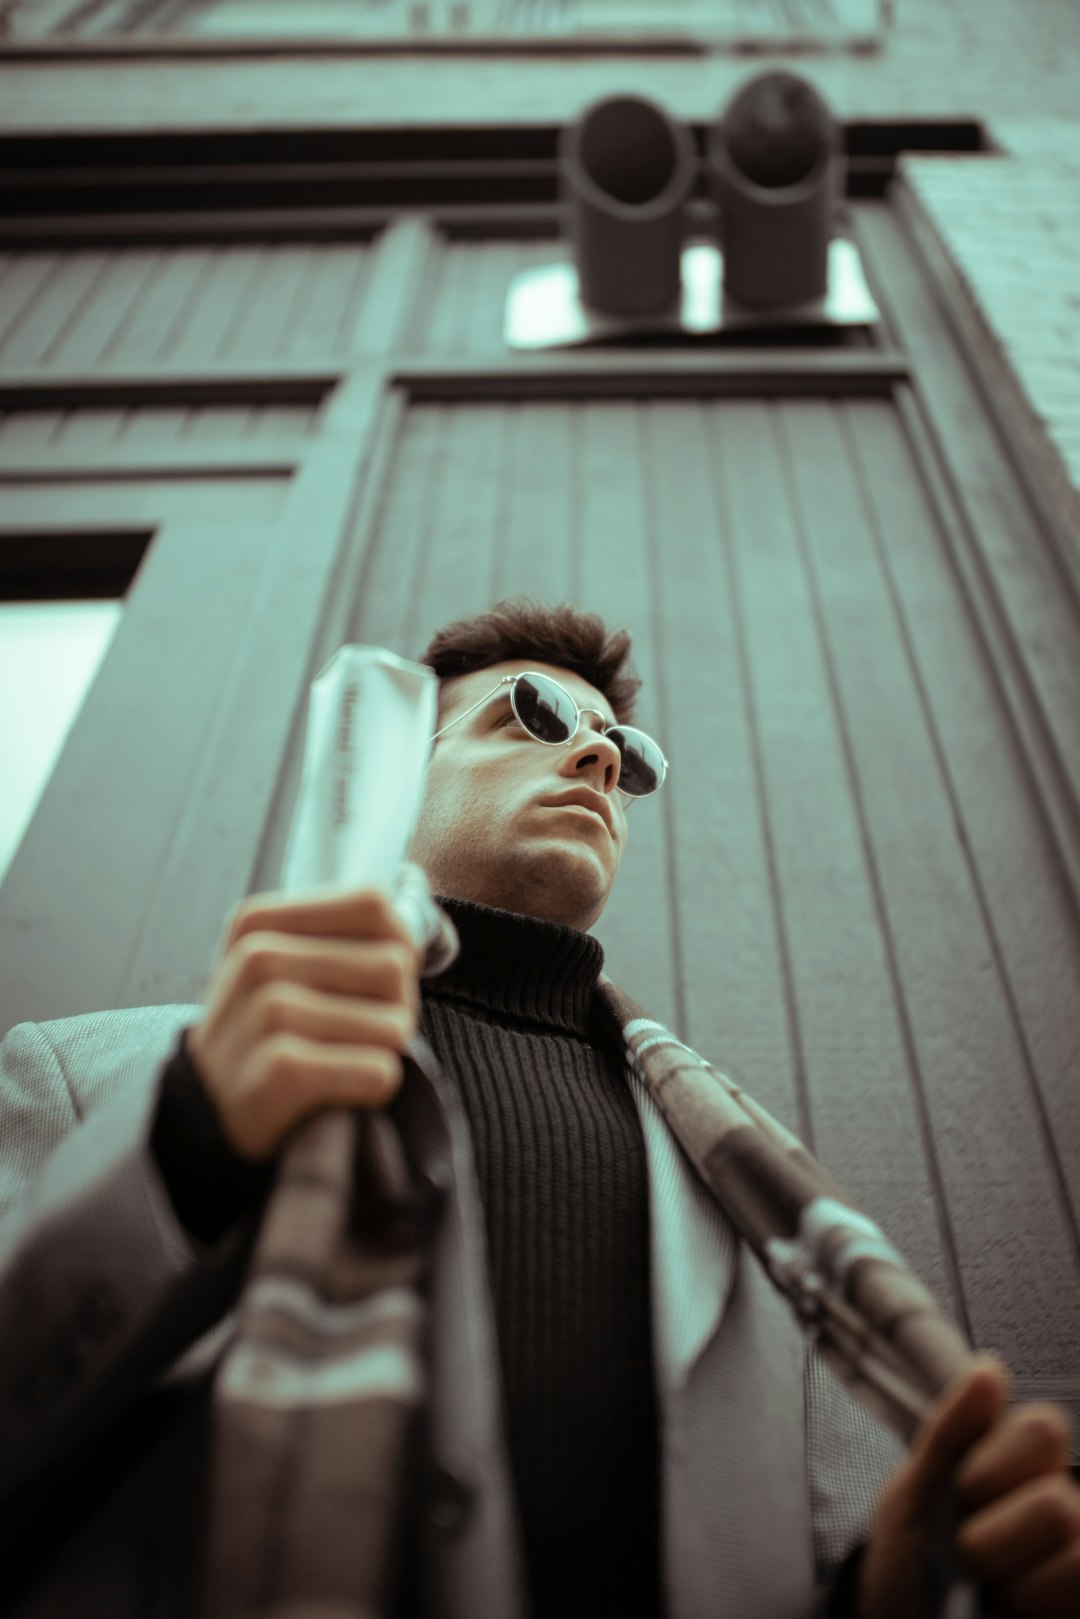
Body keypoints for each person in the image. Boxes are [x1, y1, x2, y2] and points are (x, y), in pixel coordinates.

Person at [1, 598, 1077, 1619]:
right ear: (399, 768)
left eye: (629, 751)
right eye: (535, 712)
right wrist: (194, 1145)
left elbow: (827, 1559)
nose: (603, 755)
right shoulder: (90, 1076)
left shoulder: (763, 1205)